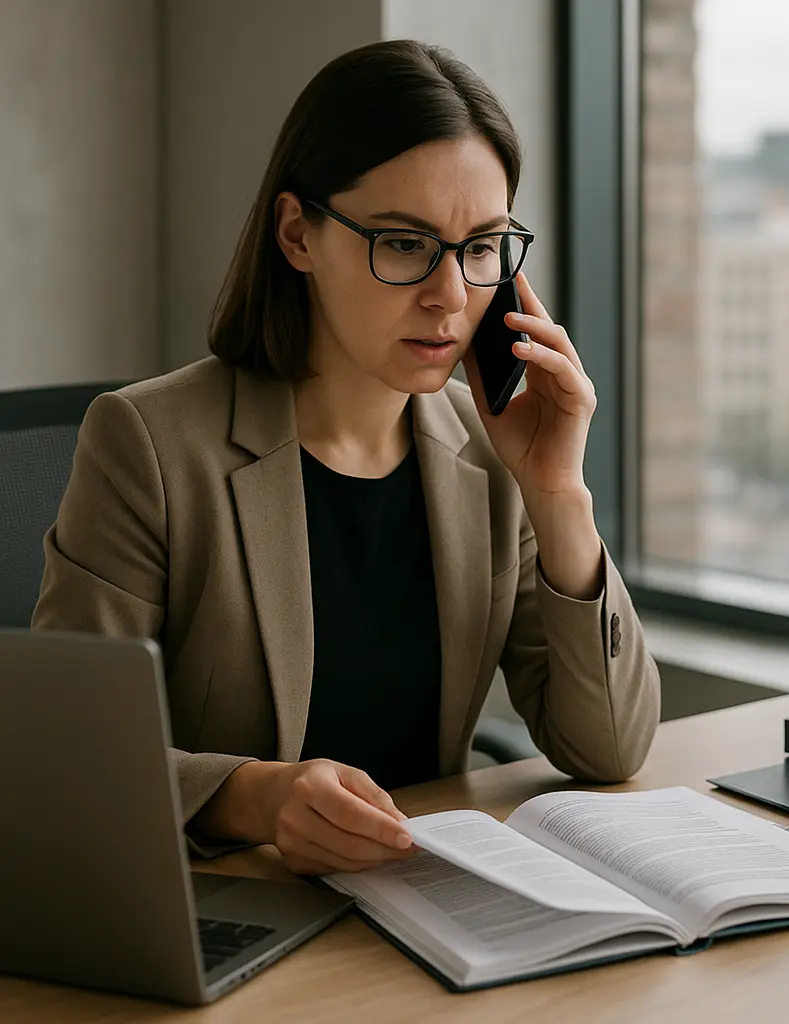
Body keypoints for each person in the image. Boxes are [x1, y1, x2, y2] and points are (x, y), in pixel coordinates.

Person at [32, 39, 660, 876]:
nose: (450, 295)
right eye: (403, 244)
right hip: (230, 908)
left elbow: (610, 748)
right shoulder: (148, 445)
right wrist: (255, 797)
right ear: (297, 234)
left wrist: (559, 495)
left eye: (482, 248)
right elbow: (68, 761)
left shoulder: (493, 455)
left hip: (430, 909)